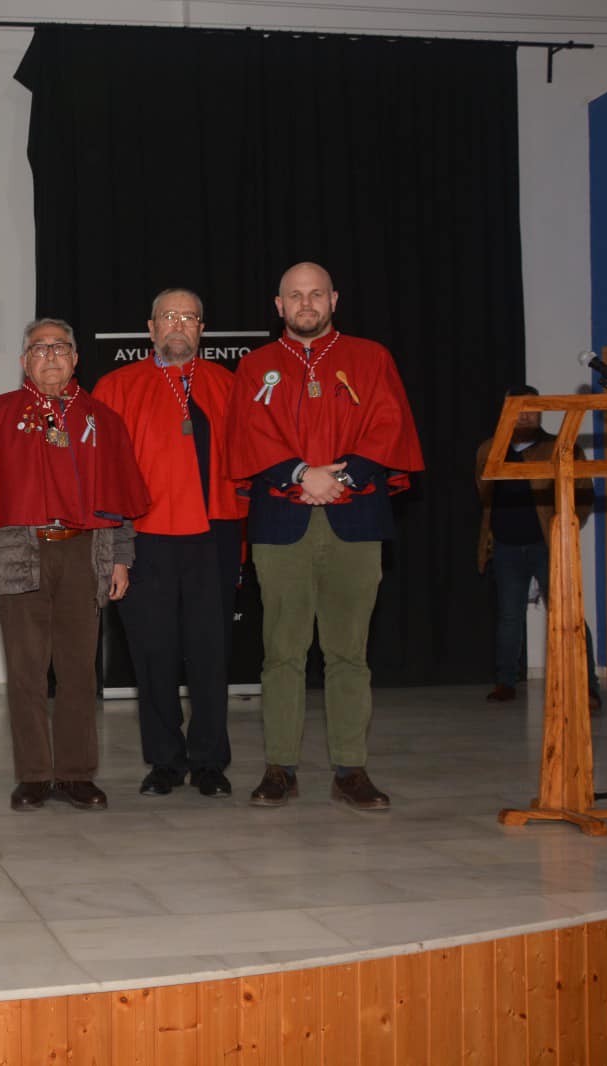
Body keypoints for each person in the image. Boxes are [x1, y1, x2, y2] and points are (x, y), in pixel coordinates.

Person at [226, 262, 423, 811]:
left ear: (334, 299)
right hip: (281, 521)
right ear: (279, 305)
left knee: (349, 654)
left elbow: (388, 424)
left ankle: (350, 769)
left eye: (316, 294)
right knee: (281, 653)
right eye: (295, 295)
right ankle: (279, 767)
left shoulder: (371, 357)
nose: (306, 303)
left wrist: (342, 476)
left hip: (354, 517)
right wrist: (298, 474)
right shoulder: (256, 366)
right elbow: (249, 433)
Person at [0, 318, 150, 812]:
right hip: (18, 550)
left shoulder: (103, 420)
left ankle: (77, 774)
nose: (50, 356)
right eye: (38, 348)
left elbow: (121, 500)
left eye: (60, 347)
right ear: (24, 361)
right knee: (25, 670)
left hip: (86, 552)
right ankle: (34, 775)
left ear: (76, 358)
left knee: (79, 670)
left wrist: (122, 560)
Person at [94, 288, 243, 799]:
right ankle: (163, 760)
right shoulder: (116, 386)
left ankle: (209, 760)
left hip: (216, 533)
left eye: (189, 317)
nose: (178, 324)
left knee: (211, 653)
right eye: (168, 317)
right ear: (151, 328)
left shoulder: (228, 384)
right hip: (145, 536)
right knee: (152, 653)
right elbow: (102, 475)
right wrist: (112, 547)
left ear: (202, 329)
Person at [475, 384, 601, 706]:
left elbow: (585, 494)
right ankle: (505, 681)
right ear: (506, 411)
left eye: (531, 406)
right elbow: (483, 493)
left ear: (541, 409)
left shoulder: (561, 445)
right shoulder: (489, 448)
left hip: (548, 545)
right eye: (517, 407)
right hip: (505, 546)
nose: (525, 413)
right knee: (508, 617)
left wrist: (566, 528)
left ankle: (588, 687)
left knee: (569, 614)